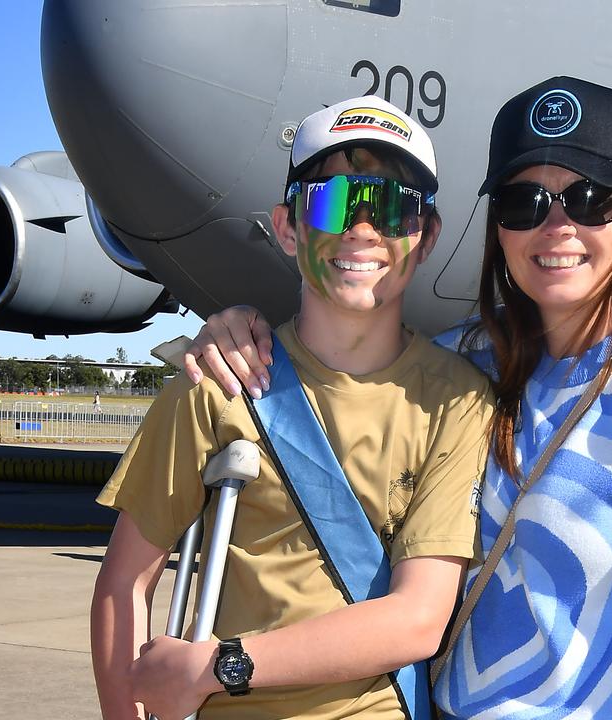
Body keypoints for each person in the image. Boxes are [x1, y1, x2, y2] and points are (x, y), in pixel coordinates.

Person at [182, 77, 612, 719]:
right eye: (525, 202)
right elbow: (343, 360)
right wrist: (240, 327)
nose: (556, 226)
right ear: (499, 226)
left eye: (589, 198)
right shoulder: (463, 364)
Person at [91, 95, 493, 720]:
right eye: (333, 202)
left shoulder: (458, 401)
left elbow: (417, 620)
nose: (362, 231)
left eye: (393, 208)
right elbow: (125, 584)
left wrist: (223, 665)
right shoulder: (215, 382)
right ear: (287, 226)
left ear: (426, 236)